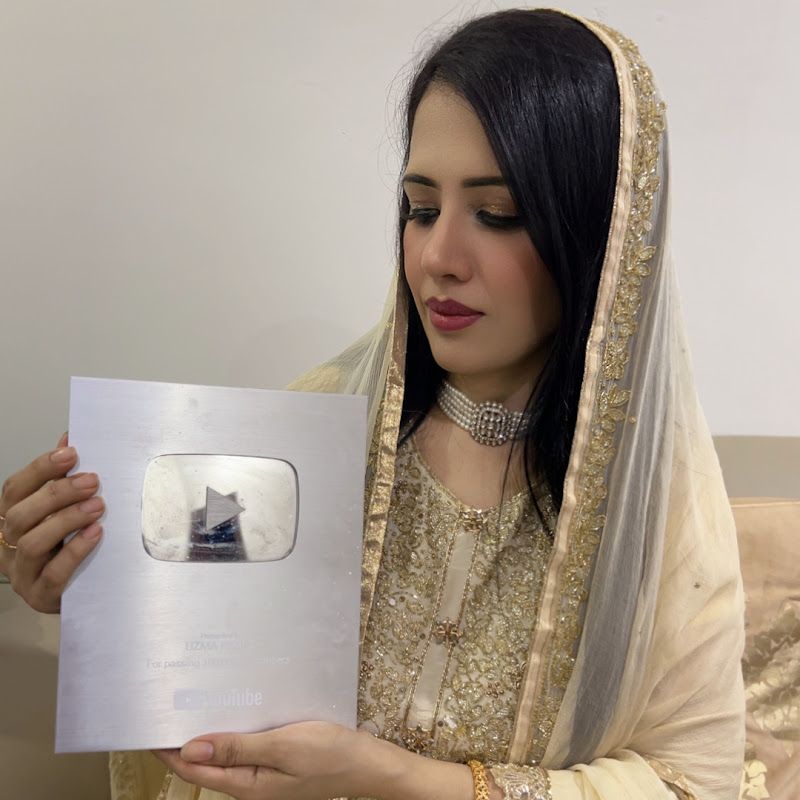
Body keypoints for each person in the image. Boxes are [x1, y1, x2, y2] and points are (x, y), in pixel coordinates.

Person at [0, 8, 745, 800]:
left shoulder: (655, 513)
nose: (437, 257)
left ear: (598, 235)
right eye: (421, 208)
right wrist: (85, 589)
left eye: (497, 214)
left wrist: (390, 777)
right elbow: (203, 660)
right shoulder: (318, 435)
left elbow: (693, 783)